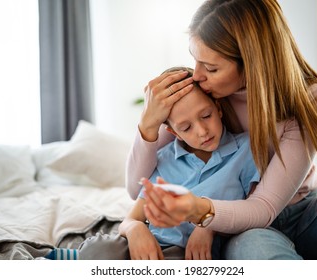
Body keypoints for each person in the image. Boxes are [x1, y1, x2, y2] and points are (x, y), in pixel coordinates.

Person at [126, 0, 317, 260]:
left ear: (252, 63)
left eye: (211, 68)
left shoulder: (311, 99)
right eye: (196, 60)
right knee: (258, 249)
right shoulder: (203, 94)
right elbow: (135, 188)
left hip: (304, 215)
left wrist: (201, 214)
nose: (197, 75)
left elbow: (264, 206)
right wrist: (147, 126)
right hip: (245, 227)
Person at [76, 66, 259, 260]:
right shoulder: (164, 159)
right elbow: (131, 218)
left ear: (218, 108)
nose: (202, 131)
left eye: (206, 116)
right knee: (97, 251)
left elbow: (252, 214)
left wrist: (210, 226)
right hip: (149, 244)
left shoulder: (245, 151)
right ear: (174, 133)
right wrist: (136, 228)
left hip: (183, 253)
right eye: (186, 127)